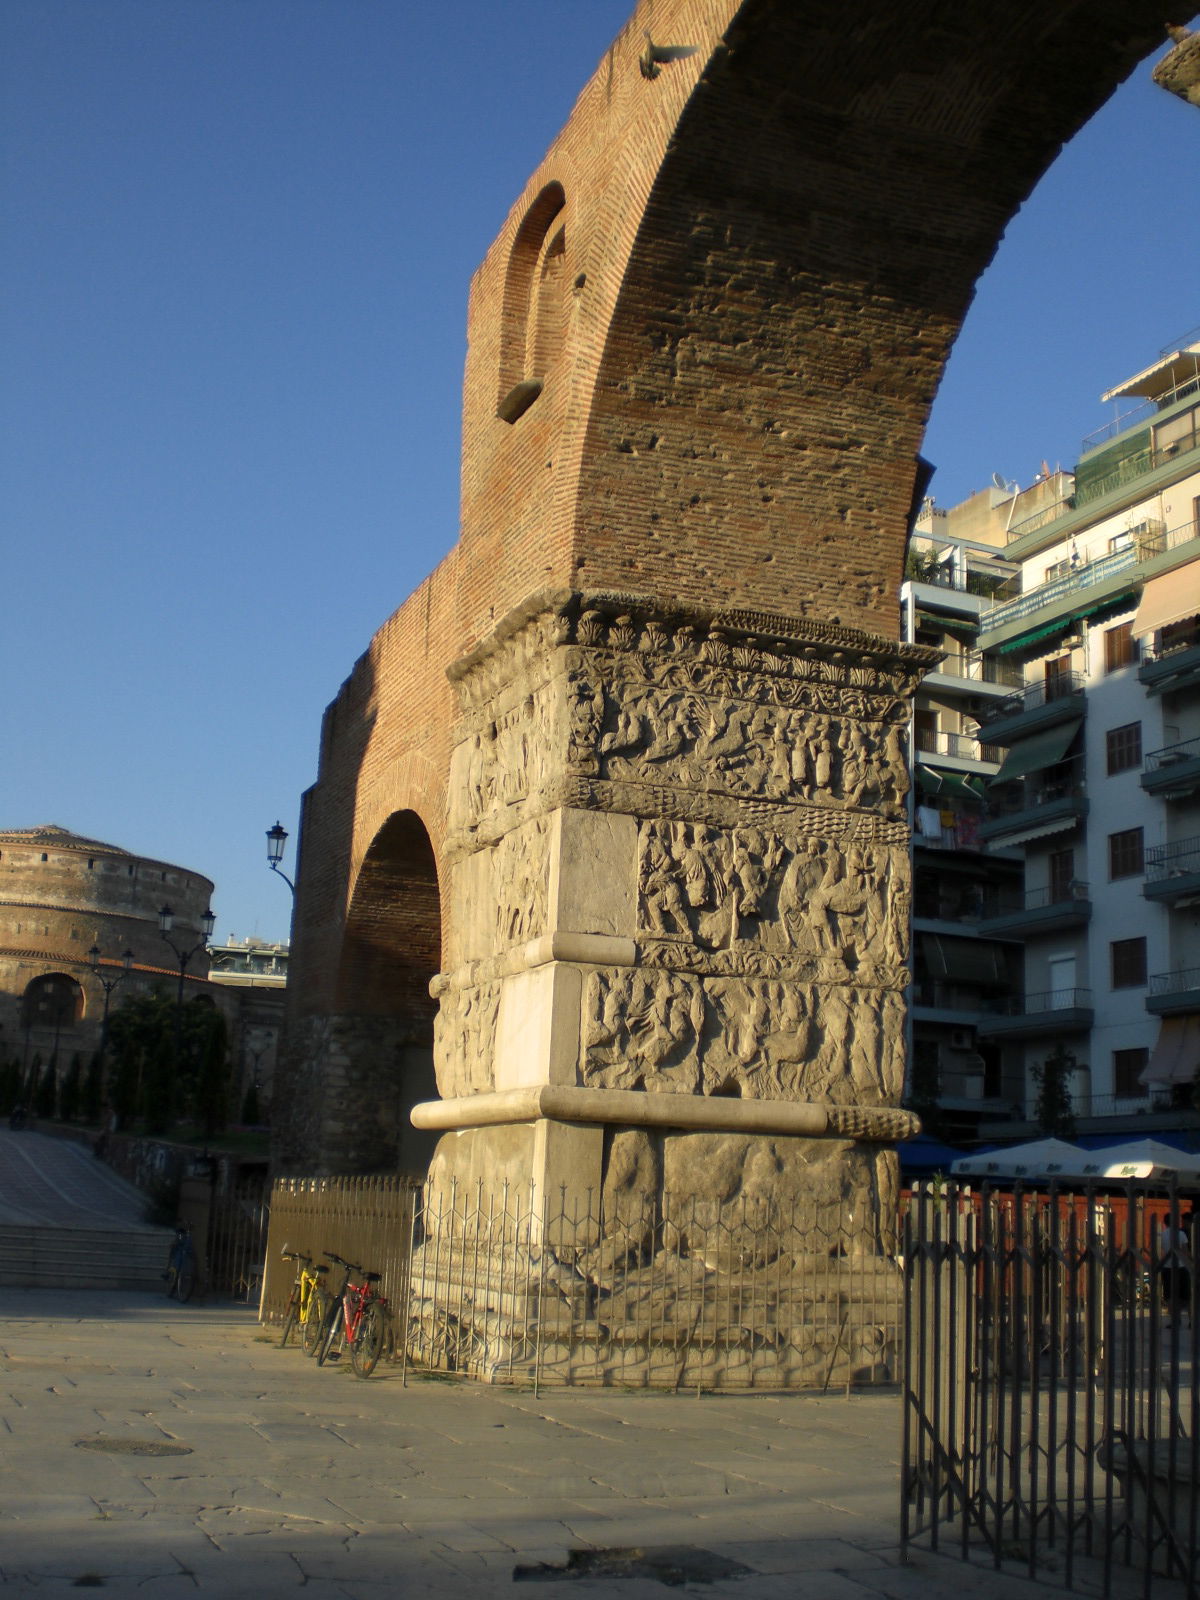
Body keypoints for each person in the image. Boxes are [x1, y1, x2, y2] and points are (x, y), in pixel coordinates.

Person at [1160, 1209, 1192, 1324]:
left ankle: (1175, 1320)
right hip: (1181, 1267)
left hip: (1168, 1268)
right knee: (1187, 1295)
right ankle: (1191, 1320)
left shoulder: (1162, 1235)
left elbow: (1158, 1251)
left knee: (1170, 1296)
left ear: (1165, 1223)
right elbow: (1185, 1251)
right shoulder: (1181, 1234)